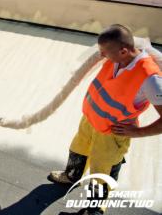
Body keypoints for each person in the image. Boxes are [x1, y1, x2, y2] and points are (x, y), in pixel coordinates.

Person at [48, 24, 162, 215]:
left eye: (103, 52)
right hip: (90, 120)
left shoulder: (150, 79)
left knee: (102, 170)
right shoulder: (118, 58)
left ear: (123, 50)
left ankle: (96, 208)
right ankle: (72, 176)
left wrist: (138, 132)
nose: (100, 55)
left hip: (111, 133)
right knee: (78, 149)